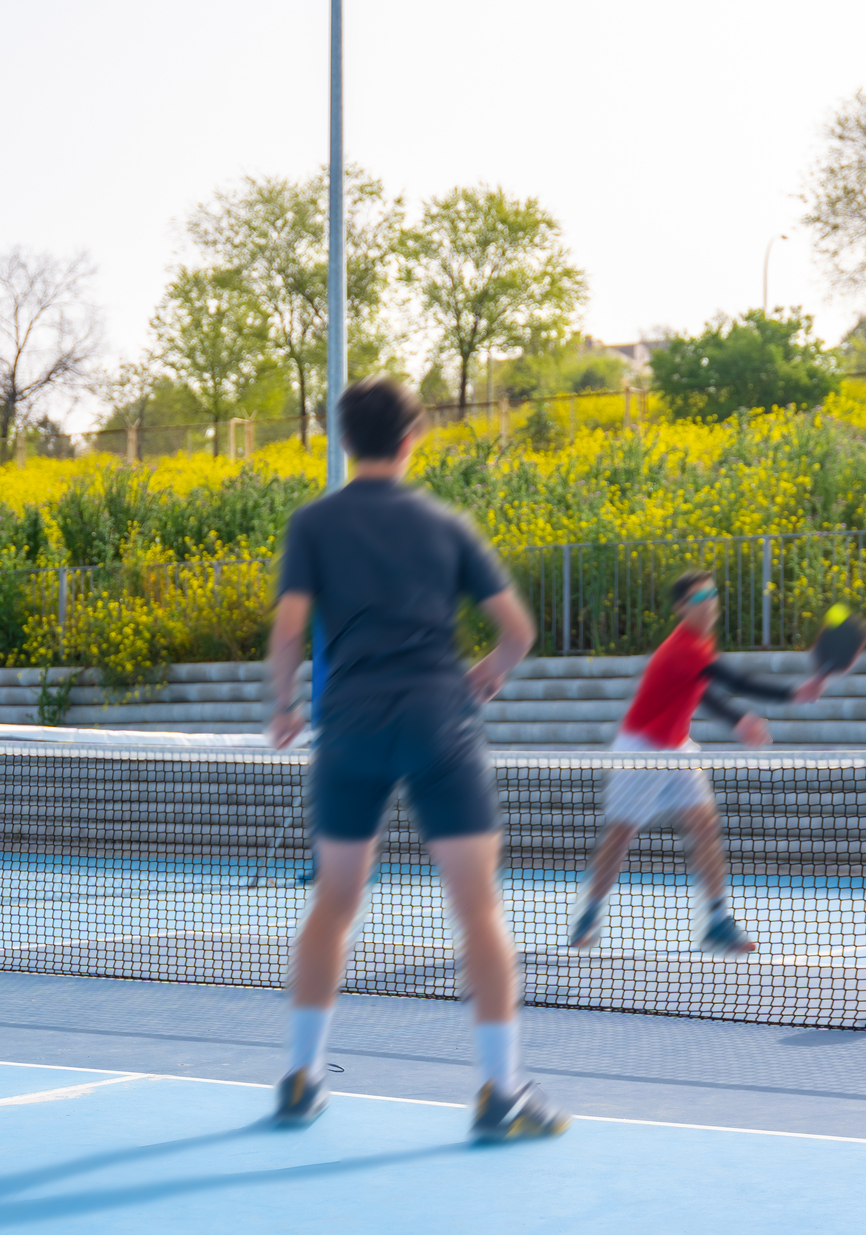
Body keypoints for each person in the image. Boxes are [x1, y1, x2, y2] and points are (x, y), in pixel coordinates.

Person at [265, 377, 565, 1143]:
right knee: (478, 911)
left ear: (344, 442)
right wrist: (490, 672)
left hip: (349, 728)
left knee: (333, 902)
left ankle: (302, 1078)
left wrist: (282, 706)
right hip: (439, 723)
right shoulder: (447, 524)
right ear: (411, 440)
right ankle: (500, 1093)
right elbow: (517, 632)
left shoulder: (312, 526)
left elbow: (288, 630)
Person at [569, 571, 831, 952]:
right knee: (621, 834)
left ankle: (717, 919)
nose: (708, 602)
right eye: (698, 598)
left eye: (711, 594)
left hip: (677, 746)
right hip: (641, 748)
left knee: (704, 824)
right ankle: (589, 913)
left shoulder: (699, 646)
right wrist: (795, 693)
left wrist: (740, 720)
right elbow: (734, 682)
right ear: (681, 608)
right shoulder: (682, 649)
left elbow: (702, 691)